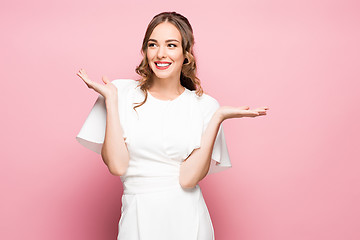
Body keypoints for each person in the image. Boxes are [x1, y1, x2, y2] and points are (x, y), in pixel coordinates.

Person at [76, 11, 268, 240]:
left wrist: (217, 118)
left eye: (171, 45)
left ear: (186, 54)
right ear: (145, 51)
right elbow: (117, 166)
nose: (161, 54)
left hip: (188, 221)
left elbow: (188, 179)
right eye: (153, 44)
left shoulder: (205, 106)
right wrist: (111, 101)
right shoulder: (119, 92)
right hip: (137, 219)